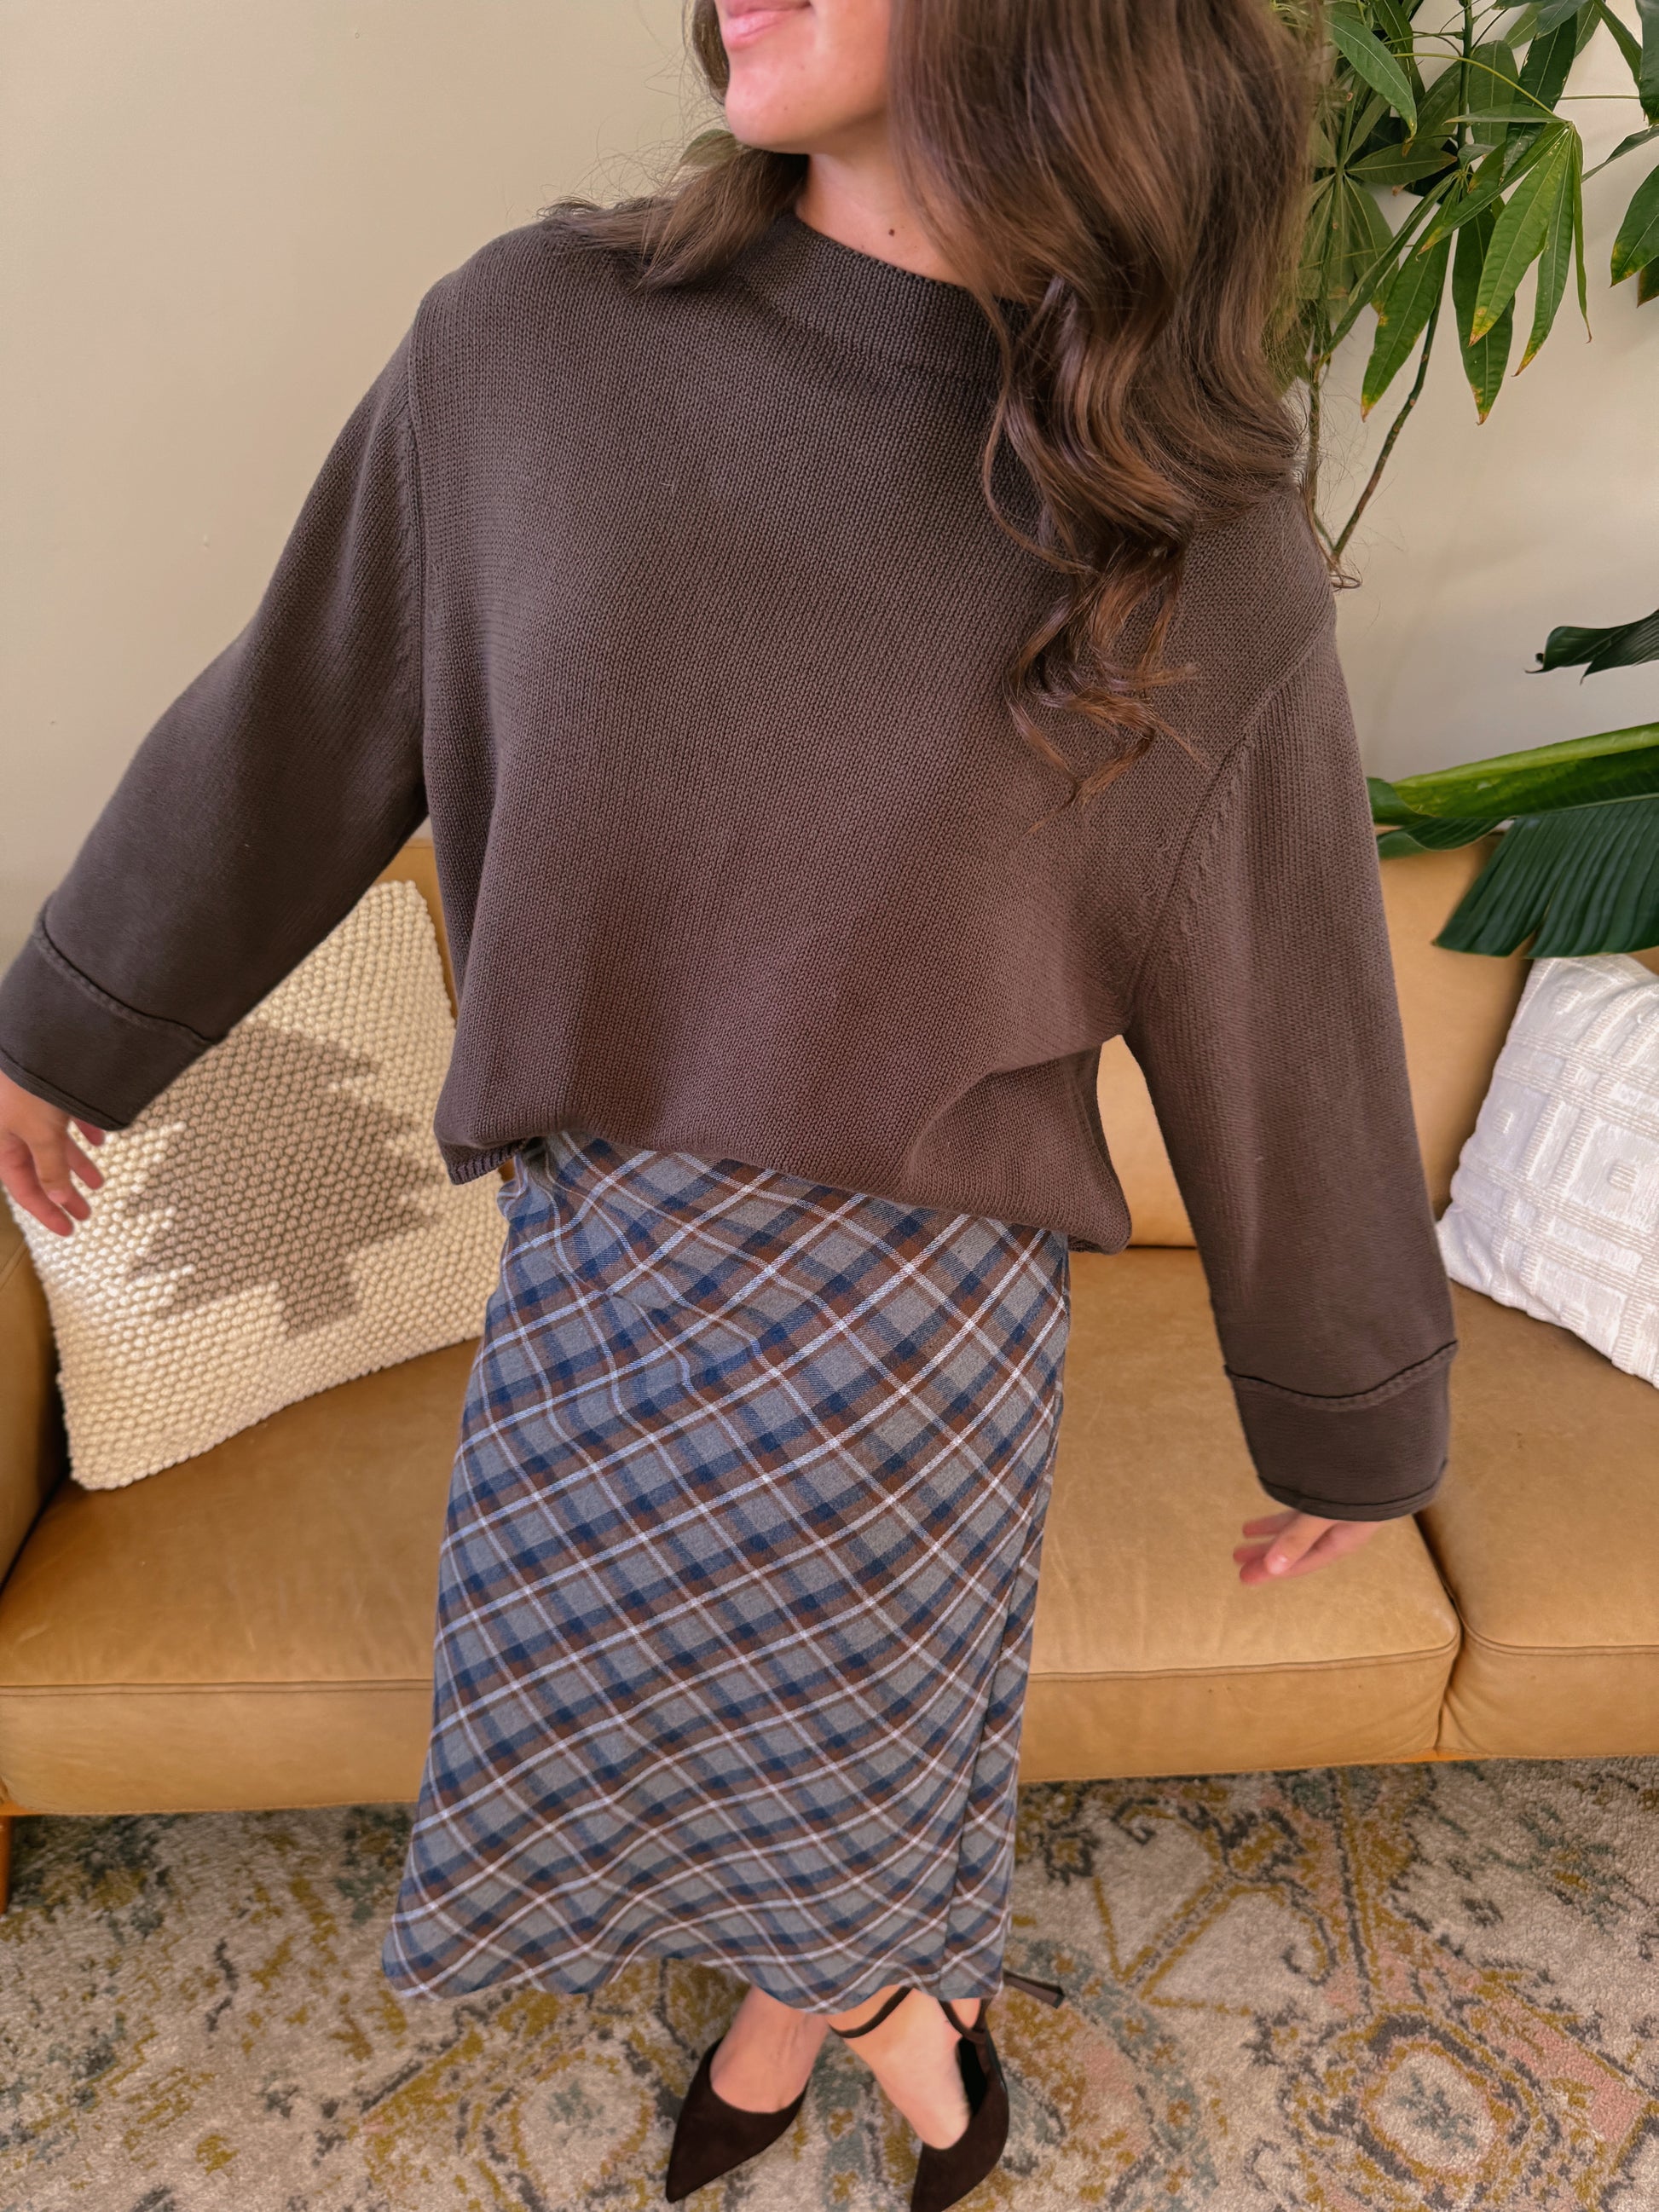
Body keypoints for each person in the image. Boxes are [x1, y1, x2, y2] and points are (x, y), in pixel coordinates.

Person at [0, 0, 1459, 2203]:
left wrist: (1350, 1408)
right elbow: (295, 721)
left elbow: (1285, 982)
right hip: (601, 1282)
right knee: (640, 1753)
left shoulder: (1183, 520)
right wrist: (73, 1021)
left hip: (922, 1349)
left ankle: (881, 2035)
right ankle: (887, 2007)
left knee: (843, 1784)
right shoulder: (529, 350)